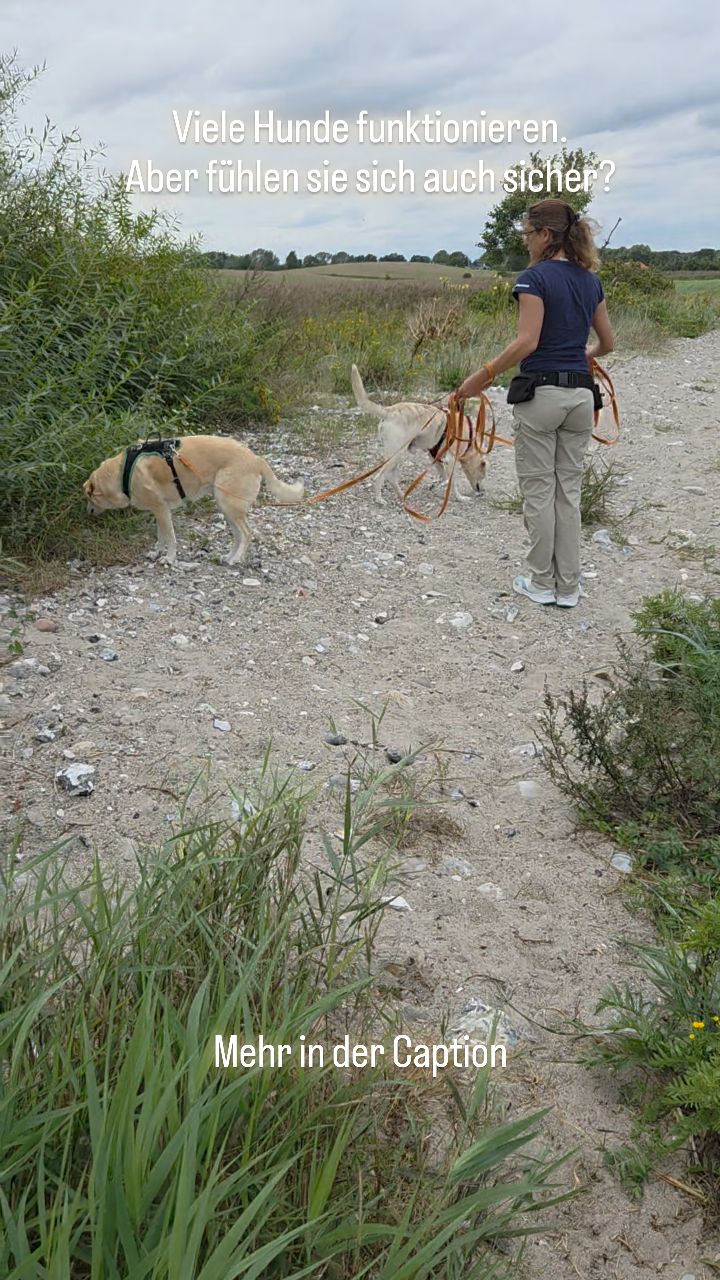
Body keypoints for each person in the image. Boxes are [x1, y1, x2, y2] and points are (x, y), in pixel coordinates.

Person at [458, 198, 615, 607]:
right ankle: (569, 586)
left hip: (541, 396)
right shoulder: (589, 280)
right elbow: (609, 343)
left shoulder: (534, 279)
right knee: (569, 493)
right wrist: (585, 355)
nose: (525, 242)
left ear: (545, 236)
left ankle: (542, 582)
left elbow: (526, 341)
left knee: (540, 492)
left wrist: (478, 380)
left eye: (528, 234)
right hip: (582, 397)